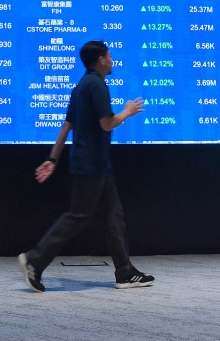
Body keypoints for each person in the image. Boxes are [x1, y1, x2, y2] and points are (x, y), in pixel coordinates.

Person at [18, 40, 155, 292]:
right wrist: (128, 111)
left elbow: (66, 126)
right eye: (110, 56)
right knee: (78, 216)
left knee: (114, 217)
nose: (112, 61)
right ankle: (34, 261)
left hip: (95, 164)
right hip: (92, 164)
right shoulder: (97, 85)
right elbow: (107, 123)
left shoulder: (80, 86)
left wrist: (52, 159)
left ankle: (124, 272)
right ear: (101, 60)